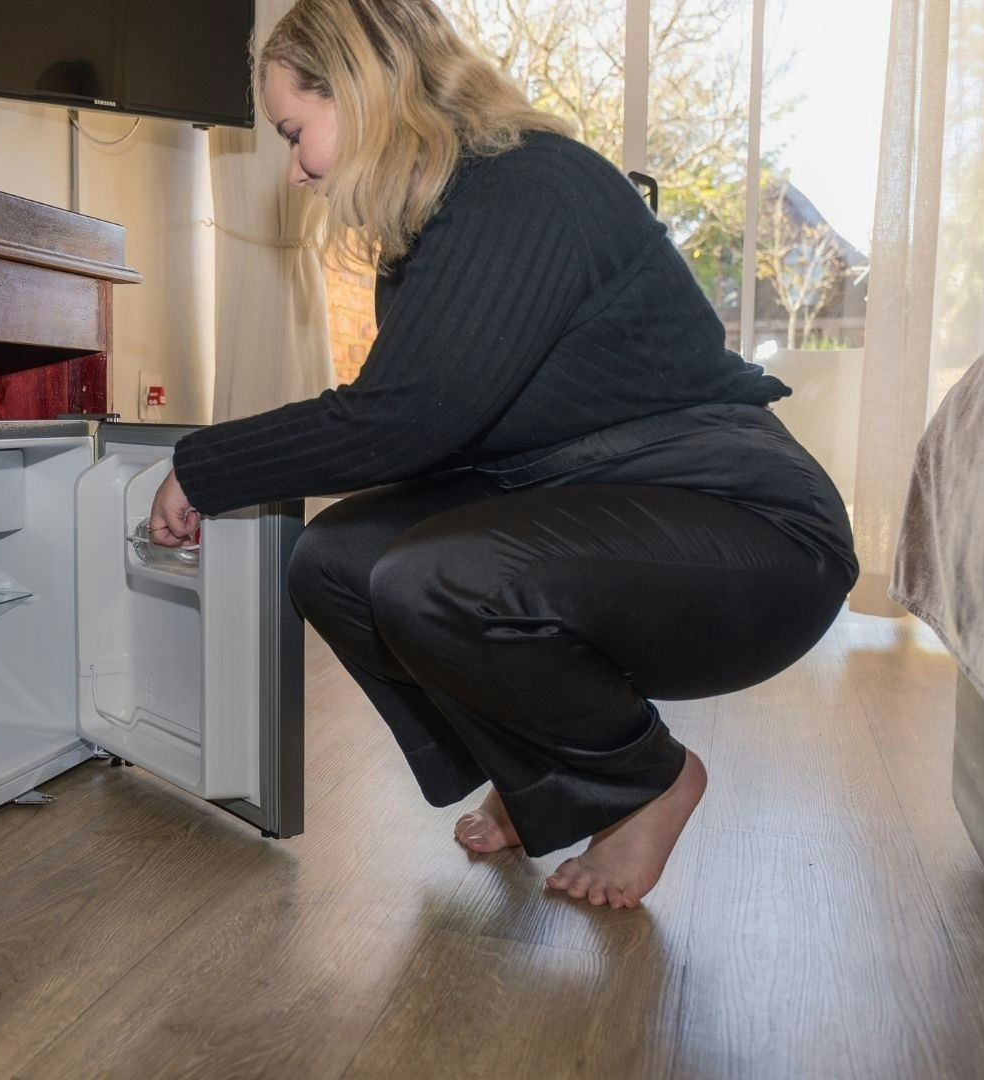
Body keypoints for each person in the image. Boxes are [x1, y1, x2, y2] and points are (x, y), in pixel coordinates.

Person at [146, 0, 857, 909]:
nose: (297, 170)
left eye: (295, 133)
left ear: (361, 92)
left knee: (437, 578)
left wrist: (203, 467)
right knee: (336, 561)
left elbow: (400, 421)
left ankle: (642, 781)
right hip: (588, 500)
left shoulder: (525, 186)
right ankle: (542, 779)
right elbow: (434, 436)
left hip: (752, 535)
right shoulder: (435, 226)